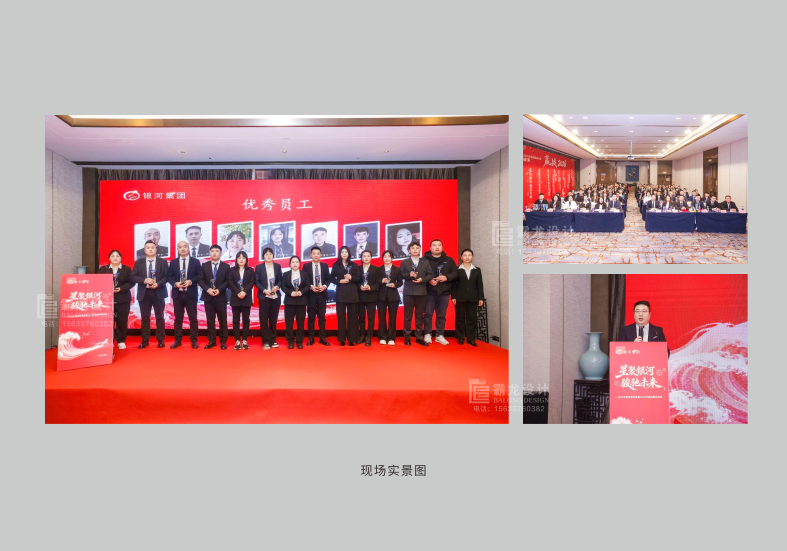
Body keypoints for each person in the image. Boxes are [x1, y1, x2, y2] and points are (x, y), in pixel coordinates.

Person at [130, 240, 169, 348]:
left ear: (156, 249)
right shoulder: (139, 262)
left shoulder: (163, 262)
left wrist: (158, 283)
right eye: (148, 248)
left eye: (152, 247)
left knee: (160, 316)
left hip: (158, 292)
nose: (150, 249)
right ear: (144, 250)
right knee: (145, 317)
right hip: (144, 293)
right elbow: (133, 276)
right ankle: (145, 341)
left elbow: (167, 277)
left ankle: (160, 340)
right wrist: (144, 280)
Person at [167, 240, 201, 349]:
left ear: (188, 248)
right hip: (178, 294)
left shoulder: (195, 262)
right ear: (177, 249)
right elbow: (168, 277)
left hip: (191, 294)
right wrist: (175, 284)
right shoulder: (173, 262)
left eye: (185, 246)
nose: (183, 248)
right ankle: (178, 340)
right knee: (178, 319)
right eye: (180, 247)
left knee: (193, 319)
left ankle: (194, 341)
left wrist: (191, 281)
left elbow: (200, 276)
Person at [423, 239, 457, 346]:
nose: (437, 247)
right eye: (434, 245)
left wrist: (446, 277)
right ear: (430, 248)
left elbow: (455, 273)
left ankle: (439, 335)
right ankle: (427, 334)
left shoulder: (449, 260)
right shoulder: (424, 260)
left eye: (439, 245)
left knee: (441, 315)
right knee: (428, 314)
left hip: (444, 292)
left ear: (442, 247)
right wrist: (429, 280)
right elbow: (420, 274)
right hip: (429, 292)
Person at [98, 249, 133, 350]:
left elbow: (131, 282)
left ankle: (121, 340)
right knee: (109, 321)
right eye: (113, 256)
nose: (115, 258)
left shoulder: (127, 269)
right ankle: (110, 340)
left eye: (117, 256)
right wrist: (107, 288)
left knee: (122, 321)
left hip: (123, 299)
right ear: (109, 258)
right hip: (107, 300)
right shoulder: (103, 269)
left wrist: (121, 288)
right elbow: (98, 281)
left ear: (121, 258)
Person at [400, 242, 433, 346]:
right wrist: (408, 275)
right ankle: (407, 337)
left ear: (420, 250)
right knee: (408, 316)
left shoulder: (425, 262)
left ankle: (419, 337)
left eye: (417, 248)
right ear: (409, 250)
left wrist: (422, 279)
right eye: (412, 248)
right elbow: (400, 275)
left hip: (421, 292)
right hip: (408, 292)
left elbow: (430, 275)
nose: (415, 250)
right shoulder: (404, 262)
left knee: (419, 316)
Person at [198, 245, 230, 349]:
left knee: (223, 320)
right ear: (210, 253)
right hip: (208, 296)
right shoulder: (204, 265)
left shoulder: (226, 266)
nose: (214, 253)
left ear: (220, 253)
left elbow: (228, 281)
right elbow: (200, 280)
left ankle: (223, 341)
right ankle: (211, 341)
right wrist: (208, 289)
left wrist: (219, 290)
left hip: (221, 297)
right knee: (210, 320)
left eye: (217, 251)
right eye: (212, 251)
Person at [452, 249, 485, 346]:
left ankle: (471, 339)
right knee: (460, 318)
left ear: (472, 257)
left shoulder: (477, 270)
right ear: (461, 257)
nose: (467, 257)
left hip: (473, 298)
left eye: (469, 255)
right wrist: (453, 296)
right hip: (459, 298)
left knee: (472, 319)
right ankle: (460, 337)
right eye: (465, 255)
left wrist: (481, 298)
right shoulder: (457, 269)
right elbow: (453, 285)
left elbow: (480, 285)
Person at [330, 246, 360, 346]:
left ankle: (351, 339)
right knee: (341, 317)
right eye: (342, 252)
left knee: (352, 318)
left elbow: (358, 278)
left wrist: (351, 277)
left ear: (349, 254)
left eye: (346, 252)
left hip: (352, 293)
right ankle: (342, 339)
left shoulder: (354, 265)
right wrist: (339, 281)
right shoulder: (336, 265)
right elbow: (331, 278)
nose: (344, 253)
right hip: (341, 293)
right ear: (340, 254)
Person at [302, 246, 330, 346]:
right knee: (311, 317)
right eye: (314, 253)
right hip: (311, 294)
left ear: (320, 255)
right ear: (311, 255)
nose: (316, 255)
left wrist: (325, 286)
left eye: (318, 253)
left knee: (322, 317)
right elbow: (304, 279)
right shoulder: (306, 266)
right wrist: (310, 286)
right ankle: (311, 338)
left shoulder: (325, 266)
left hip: (322, 294)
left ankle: (323, 338)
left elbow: (328, 279)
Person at [255, 247, 282, 350]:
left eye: (270, 254)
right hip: (264, 296)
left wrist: (277, 286)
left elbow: (280, 280)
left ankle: (273, 339)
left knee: (273, 319)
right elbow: (256, 281)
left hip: (275, 296)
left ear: (273, 255)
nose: (269, 256)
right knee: (264, 319)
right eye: (266, 254)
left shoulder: (277, 266)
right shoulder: (259, 267)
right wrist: (264, 290)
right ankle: (266, 341)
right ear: (263, 256)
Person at [228, 251, 255, 350]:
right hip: (235, 298)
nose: (241, 260)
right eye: (239, 258)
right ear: (236, 260)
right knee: (236, 320)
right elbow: (230, 282)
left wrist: (244, 292)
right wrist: (238, 292)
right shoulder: (232, 270)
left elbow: (252, 282)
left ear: (246, 259)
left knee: (246, 320)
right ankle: (237, 341)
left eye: (243, 258)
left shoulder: (250, 270)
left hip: (246, 298)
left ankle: (244, 340)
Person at [282, 256, 309, 349]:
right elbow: (283, 286)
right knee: (289, 323)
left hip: (301, 301)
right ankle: (290, 341)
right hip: (289, 301)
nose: (295, 264)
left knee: (300, 323)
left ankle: (299, 341)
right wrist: (291, 293)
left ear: (299, 264)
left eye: (297, 262)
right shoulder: (286, 274)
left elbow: (307, 286)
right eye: (293, 262)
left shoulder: (304, 274)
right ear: (290, 264)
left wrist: (301, 292)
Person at [377, 250, 402, 346]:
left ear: (392, 258)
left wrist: (395, 285)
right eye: (385, 256)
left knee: (392, 317)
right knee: (381, 317)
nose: (386, 258)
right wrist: (381, 281)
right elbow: (376, 282)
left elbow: (400, 282)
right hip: (381, 296)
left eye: (388, 256)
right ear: (382, 258)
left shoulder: (397, 269)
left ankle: (391, 337)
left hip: (393, 296)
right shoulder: (378, 269)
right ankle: (382, 337)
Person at [357, 250, 381, 346]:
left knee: (371, 318)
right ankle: (362, 335)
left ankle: (369, 337)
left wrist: (371, 287)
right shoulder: (358, 269)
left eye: (368, 256)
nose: (366, 258)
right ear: (361, 258)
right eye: (364, 256)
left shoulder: (376, 269)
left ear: (371, 257)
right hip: (360, 296)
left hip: (372, 296)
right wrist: (359, 286)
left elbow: (378, 283)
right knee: (361, 318)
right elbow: (355, 281)